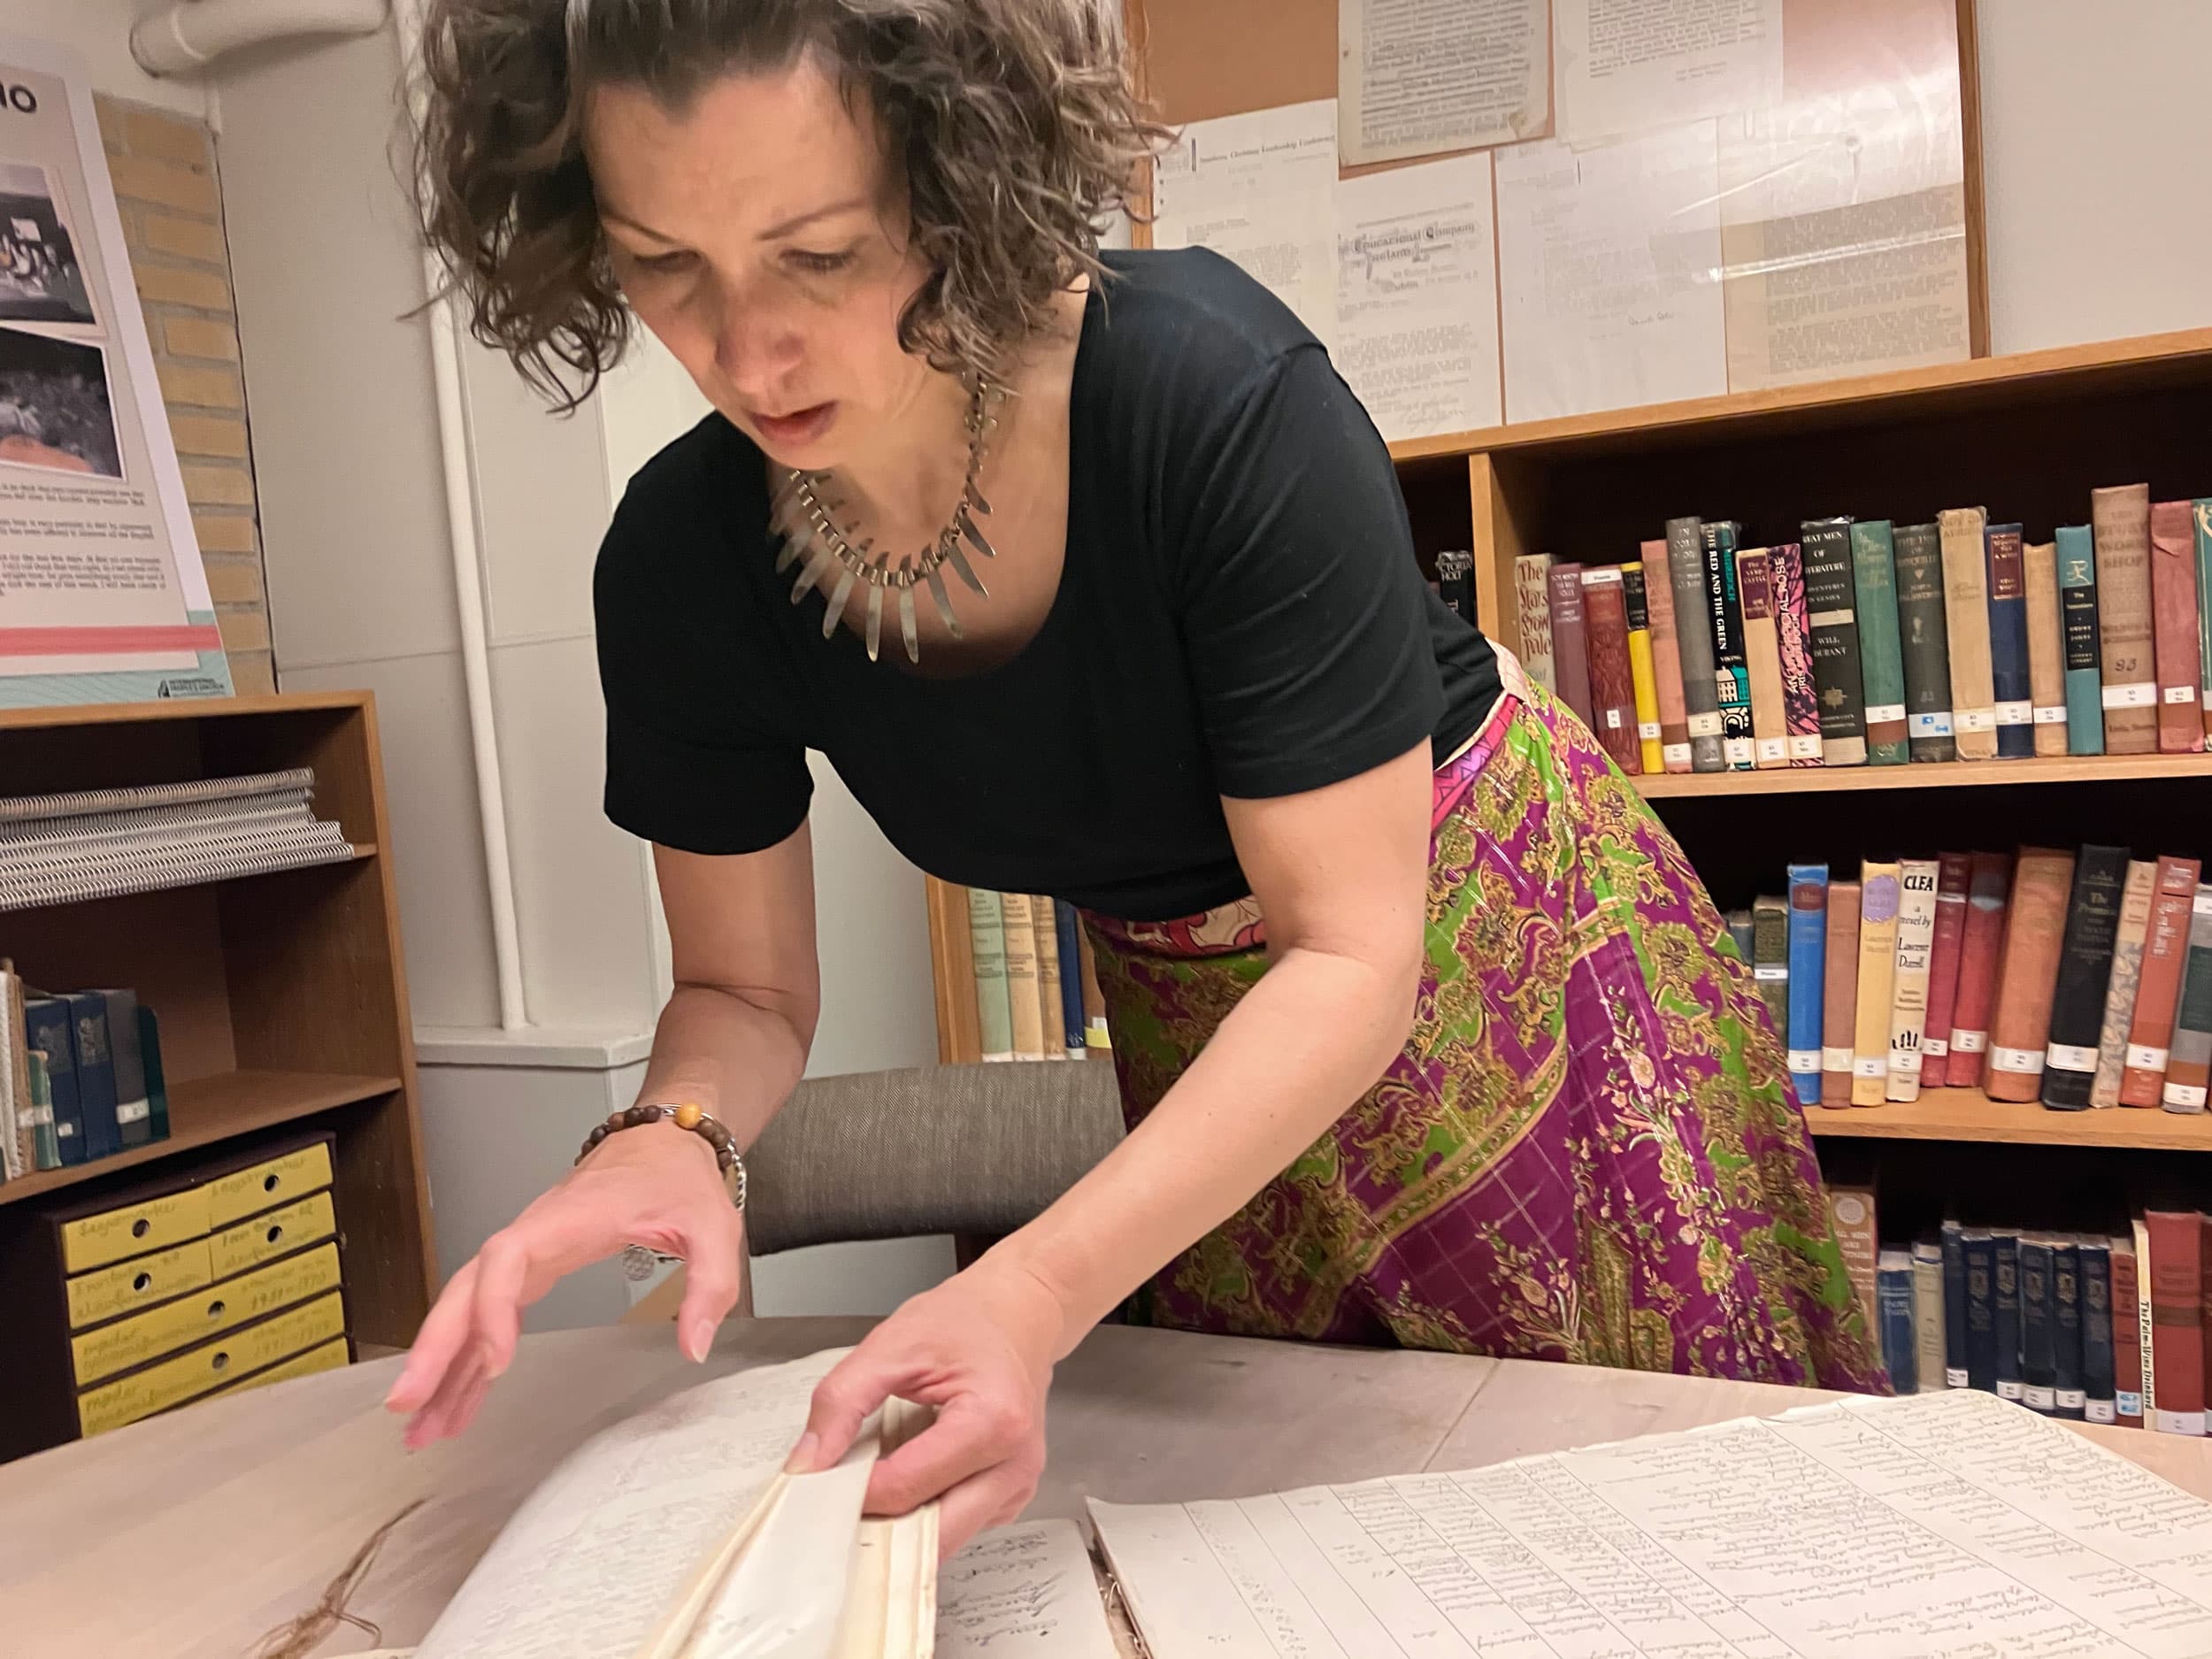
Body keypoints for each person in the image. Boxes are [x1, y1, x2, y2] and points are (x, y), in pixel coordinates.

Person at [387, 0, 1885, 1556]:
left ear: (957, 179)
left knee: (1644, 1530)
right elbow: (747, 997)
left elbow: (1354, 951)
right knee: (1299, 1544)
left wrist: (1029, 1286)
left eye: (819, 254)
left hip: (1496, 959)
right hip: (1205, 1031)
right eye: (664, 264)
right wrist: (668, 1140)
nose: (744, 348)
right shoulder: (683, 560)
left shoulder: (1211, 396)